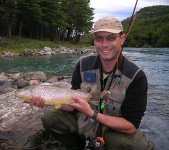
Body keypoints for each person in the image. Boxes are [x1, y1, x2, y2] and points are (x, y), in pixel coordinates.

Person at [30, 16, 154, 150]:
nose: (104, 44)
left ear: (122, 39)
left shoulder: (136, 76)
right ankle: (76, 146)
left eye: (111, 37)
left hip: (112, 129)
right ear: (94, 41)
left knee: (140, 147)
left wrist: (92, 113)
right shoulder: (83, 64)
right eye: (99, 38)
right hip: (83, 122)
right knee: (50, 118)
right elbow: (71, 106)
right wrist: (48, 99)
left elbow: (130, 127)